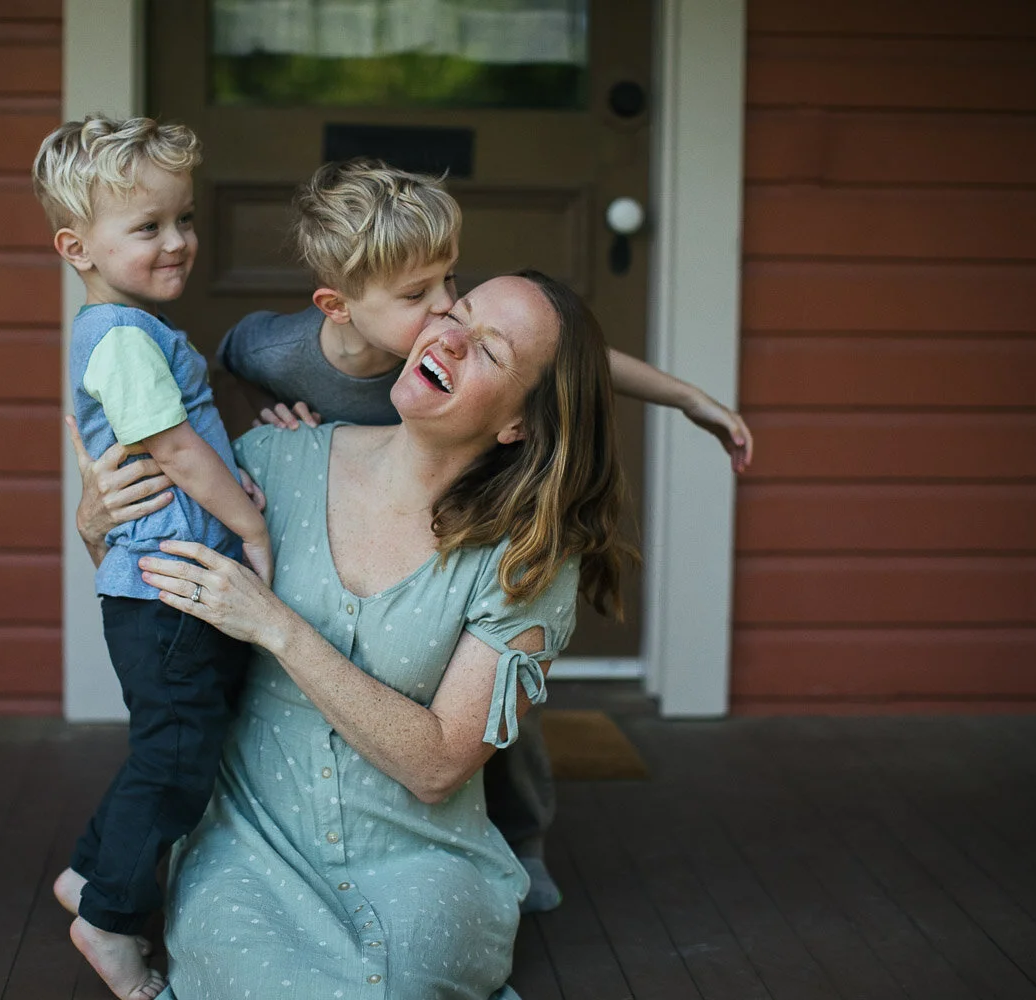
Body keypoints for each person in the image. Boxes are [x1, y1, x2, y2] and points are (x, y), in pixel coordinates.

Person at [84, 158, 753, 914]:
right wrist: (261, 416)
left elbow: (572, 361)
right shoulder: (281, 352)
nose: (442, 313)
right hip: (340, 501)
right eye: (417, 296)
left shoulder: (449, 336)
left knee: (497, 702)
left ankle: (523, 836)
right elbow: (221, 373)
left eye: (451, 285)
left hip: (448, 513)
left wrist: (687, 398)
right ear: (336, 307)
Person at [124, 270, 627, 998]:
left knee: (398, 984)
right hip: (250, 843)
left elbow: (440, 764)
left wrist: (277, 627)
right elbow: (149, 599)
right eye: (457, 313)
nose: (449, 339)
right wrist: (97, 522)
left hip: (424, 861)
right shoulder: (273, 461)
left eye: (490, 350)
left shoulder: (527, 559)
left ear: (519, 424)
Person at [33, 114, 271, 1000]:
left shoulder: (132, 327)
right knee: (175, 759)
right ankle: (110, 919)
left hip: (170, 582)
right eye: (148, 227)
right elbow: (172, 448)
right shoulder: (124, 338)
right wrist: (249, 527)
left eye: (184, 218)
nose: (177, 242)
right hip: (165, 588)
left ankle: (90, 874)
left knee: (171, 746)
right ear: (77, 247)